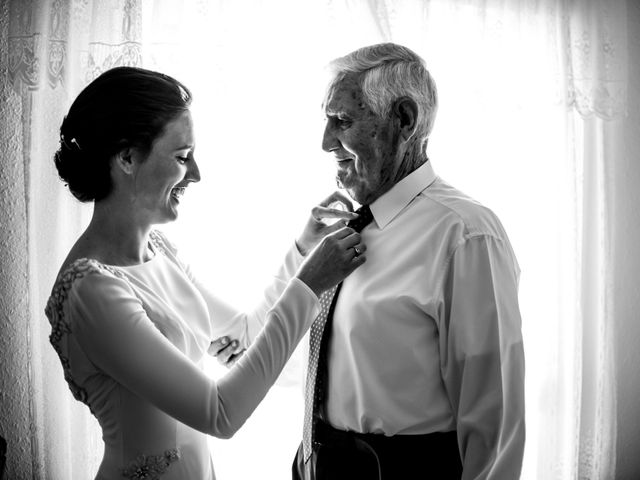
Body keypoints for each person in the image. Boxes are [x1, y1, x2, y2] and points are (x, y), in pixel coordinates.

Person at [45, 66, 368, 480]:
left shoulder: (157, 251)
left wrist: (302, 250)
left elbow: (245, 332)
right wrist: (309, 286)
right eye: (182, 157)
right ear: (126, 157)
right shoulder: (91, 290)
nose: (195, 173)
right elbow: (221, 413)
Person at [289, 43, 526, 479]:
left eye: (342, 120)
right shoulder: (344, 228)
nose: (325, 142)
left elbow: (495, 422)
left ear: (403, 119)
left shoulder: (466, 235)